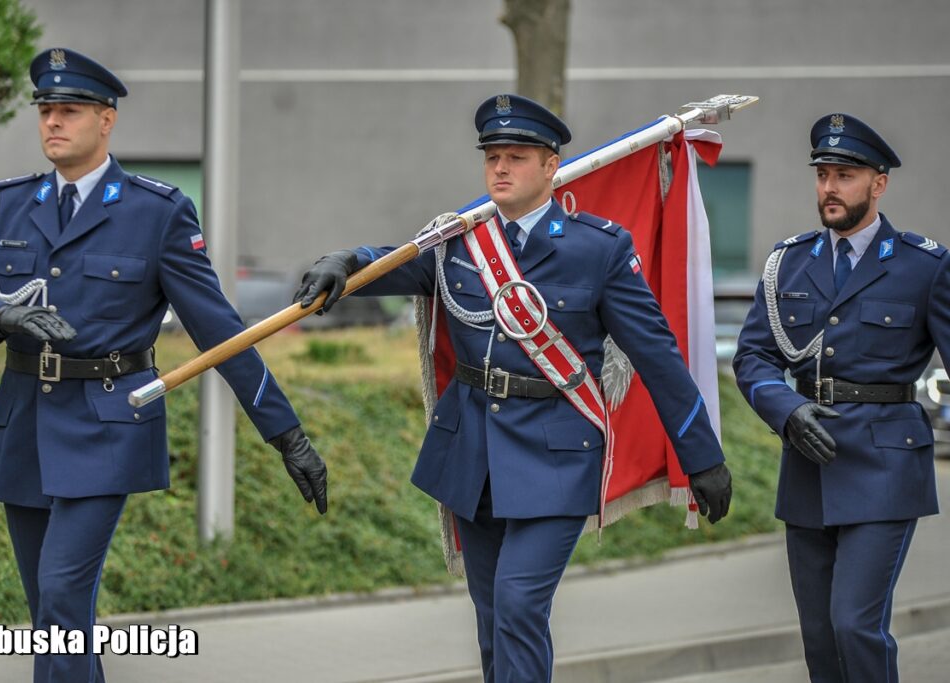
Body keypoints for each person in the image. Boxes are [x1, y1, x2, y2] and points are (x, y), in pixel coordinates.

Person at [294, 93, 732, 683]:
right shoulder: (460, 240)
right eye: (493, 156)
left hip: (557, 453)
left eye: (517, 156)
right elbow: (392, 262)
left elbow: (658, 359)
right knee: (493, 614)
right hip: (473, 452)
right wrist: (342, 262)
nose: (500, 168)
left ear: (552, 165)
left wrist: (701, 456)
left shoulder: (599, 249)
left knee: (521, 603)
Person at [0, 48, 327, 683]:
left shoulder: (156, 213)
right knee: (55, 615)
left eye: (70, 111)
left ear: (106, 120)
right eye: (46, 111)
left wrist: (288, 435)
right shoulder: (6, 205)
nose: (53, 122)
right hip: (24, 424)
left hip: (109, 421)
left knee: (60, 596)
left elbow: (220, 332)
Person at [732, 113, 944, 682]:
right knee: (821, 640)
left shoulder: (924, 266)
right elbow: (752, 357)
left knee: (855, 625)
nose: (829, 186)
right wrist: (787, 408)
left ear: (879, 183)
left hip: (885, 466)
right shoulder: (789, 261)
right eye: (823, 174)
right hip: (808, 461)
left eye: (845, 175)